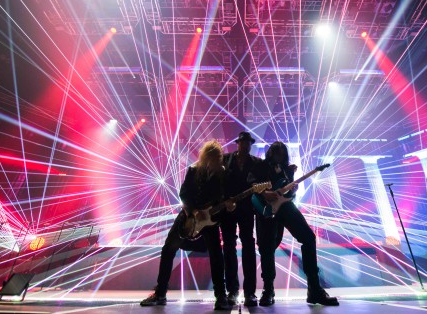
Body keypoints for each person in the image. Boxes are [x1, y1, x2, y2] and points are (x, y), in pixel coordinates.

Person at [141, 140, 232, 310]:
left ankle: (221, 295)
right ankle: (160, 293)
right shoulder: (194, 170)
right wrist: (192, 211)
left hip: (211, 220)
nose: (214, 161)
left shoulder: (223, 174)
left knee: (216, 254)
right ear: (206, 157)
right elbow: (184, 193)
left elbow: (225, 197)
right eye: (211, 157)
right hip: (189, 217)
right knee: (168, 248)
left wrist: (228, 205)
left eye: (216, 158)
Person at [250, 141, 339, 306]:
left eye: (282, 153)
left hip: (285, 206)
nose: (279, 156)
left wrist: (293, 190)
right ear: (270, 153)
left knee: (308, 238)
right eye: (276, 152)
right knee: (267, 248)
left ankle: (314, 288)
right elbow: (250, 185)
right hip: (266, 210)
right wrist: (264, 193)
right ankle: (268, 290)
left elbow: (289, 193)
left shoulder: (287, 170)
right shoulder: (260, 167)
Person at [221, 132, 260, 306]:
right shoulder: (225, 159)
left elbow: (263, 182)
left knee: (249, 247)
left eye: (248, 142)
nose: (245, 145)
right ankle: (232, 291)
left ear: (250, 144)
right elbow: (218, 183)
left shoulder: (256, 163)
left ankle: (250, 293)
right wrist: (224, 200)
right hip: (227, 210)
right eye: (242, 142)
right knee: (228, 248)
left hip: (246, 210)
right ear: (238, 143)